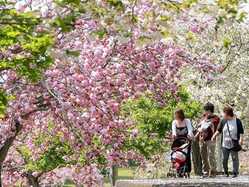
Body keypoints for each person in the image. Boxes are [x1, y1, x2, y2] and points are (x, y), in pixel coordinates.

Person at [212, 106, 244, 178]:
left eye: (224, 113)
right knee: (224, 159)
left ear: (227, 114)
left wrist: (241, 139)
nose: (223, 115)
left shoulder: (237, 121)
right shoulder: (223, 121)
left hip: (234, 144)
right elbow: (219, 130)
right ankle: (226, 172)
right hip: (225, 144)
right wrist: (214, 136)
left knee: (234, 158)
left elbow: (241, 132)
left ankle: (235, 173)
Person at [195, 102, 220, 178]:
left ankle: (213, 171)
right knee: (203, 156)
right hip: (202, 139)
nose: (205, 112)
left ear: (209, 110)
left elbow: (209, 128)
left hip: (211, 139)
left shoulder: (216, 118)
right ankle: (205, 171)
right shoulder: (204, 116)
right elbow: (199, 126)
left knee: (211, 155)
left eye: (206, 110)